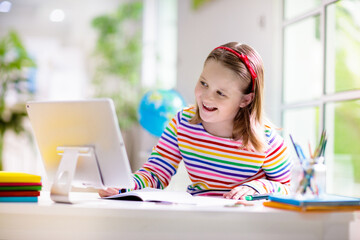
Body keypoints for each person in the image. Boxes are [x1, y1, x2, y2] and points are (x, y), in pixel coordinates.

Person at [99, 42, 292, 200]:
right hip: (197, 217)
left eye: (221, 93)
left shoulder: (265, 138)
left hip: (246, 223)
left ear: (245, 99)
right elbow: (156, 173)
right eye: (204, 83)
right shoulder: (182, 123)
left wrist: (258, 186)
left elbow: (287, 186)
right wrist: (123, 185)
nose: (207, 97)